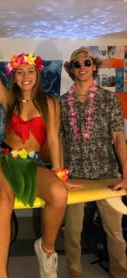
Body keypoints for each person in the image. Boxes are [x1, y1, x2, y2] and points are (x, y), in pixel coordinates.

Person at [0, 19, 75, 278]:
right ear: (14, 76)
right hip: (3, 160)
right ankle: (0, 275)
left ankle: (46, 249)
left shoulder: (49, 102)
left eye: (30, 71)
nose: (25, 76)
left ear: (37, 75)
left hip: (32, 163)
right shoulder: (8, 99)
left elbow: (53, 140)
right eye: (20, 72)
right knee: (3, 201)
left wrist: (59, 173)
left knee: (59, 195)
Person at [59, 47, 127, 278]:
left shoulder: (109, 99)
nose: (82, 67)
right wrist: (60, 174)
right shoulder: (61, 103)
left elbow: (119, 138)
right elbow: (58, 139)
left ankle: (120, 273)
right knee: (72, 234)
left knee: (115, 233)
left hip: (106, 176)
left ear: (94, 66)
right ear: (71, 69)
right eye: (76, 64)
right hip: (74, 177)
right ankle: (74, 274)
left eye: (87, 62)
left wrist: (126, 174)